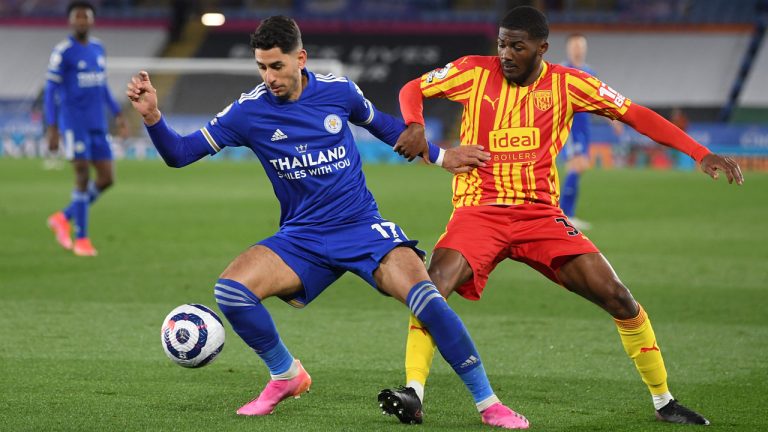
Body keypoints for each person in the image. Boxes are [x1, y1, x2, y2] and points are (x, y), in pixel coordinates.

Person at [126, 15, 528, 429]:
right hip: (302, 236)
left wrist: (442, 158)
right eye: (262, 67)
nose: (269, 77)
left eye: (277, 66)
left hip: (360, 226)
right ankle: (286, 376)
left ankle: (488, 403)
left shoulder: (339, 92)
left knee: (427, 298)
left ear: (300, 58)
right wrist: (153, 117)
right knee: (230, 292)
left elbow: (390, 128)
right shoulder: (248, 112)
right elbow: (179, 153)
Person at [380, 5, 743, 428]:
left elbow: (634, 114)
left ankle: (664, 401)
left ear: (542, 49)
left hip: (539, 216)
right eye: (502, 44)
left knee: (618, 297)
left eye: (518, 46)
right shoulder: (471, 72)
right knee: (433, 286)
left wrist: (700, 152)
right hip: (479, 211)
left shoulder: (569, 84)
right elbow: (412, 88)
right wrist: (414, 123)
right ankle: (414, 392)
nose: (506, 54)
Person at [45, 1, 128, 256]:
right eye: (77, 17)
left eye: (86, 17)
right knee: (82, 176)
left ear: (92, 21)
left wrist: (118, 114)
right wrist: (52, 127)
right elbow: (50, 91)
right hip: (73, 125)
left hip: (97, 124)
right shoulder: (63, 52)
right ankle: (81, 239)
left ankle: (64, 216)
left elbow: (102, 87)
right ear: (71, 21)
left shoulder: (97, 49)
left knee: (106, 179)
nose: (82, 21)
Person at [559, 33, 623, 230]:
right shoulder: (561, 71)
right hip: (569, 126)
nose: (577, 49)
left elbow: (598, 102)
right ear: (568, 49)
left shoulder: (589, 72)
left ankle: (567, 214)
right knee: (576, 166)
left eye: (580, 46)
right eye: (574, 46)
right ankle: (564, 215)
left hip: (584, 126)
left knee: (581, 165)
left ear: (584, 48)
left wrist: (612, 119)